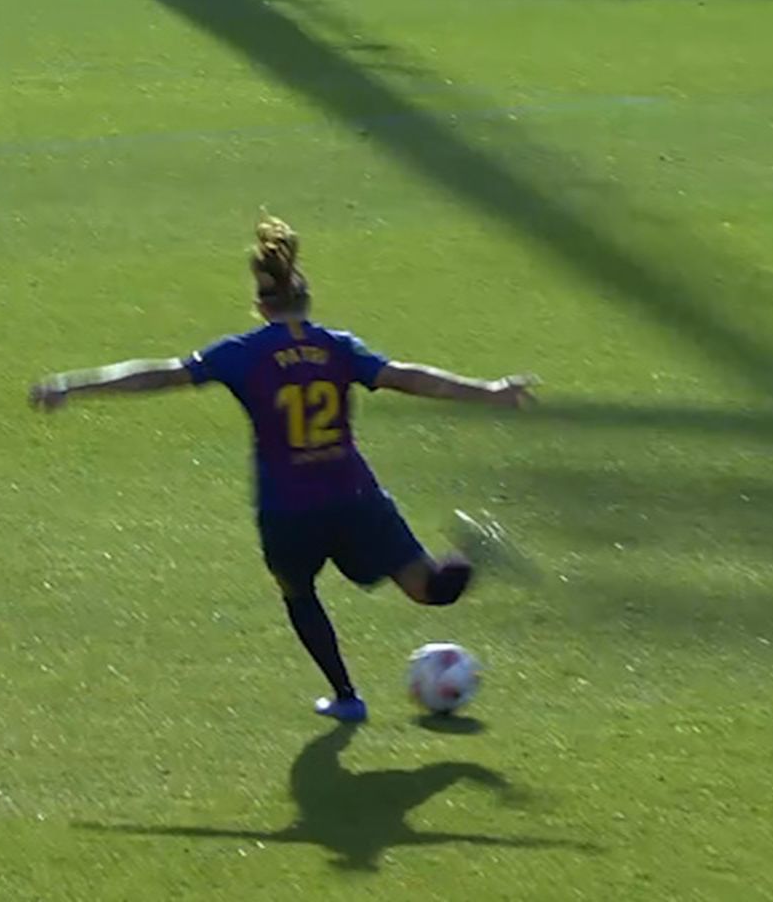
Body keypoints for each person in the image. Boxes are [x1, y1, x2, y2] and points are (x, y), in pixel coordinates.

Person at [29, 216, 536, 722]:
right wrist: (488, 391)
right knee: (428, 590)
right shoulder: (338, 346)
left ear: (261, 302)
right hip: (355, 496)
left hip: (288, 508)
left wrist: (75, 386)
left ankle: (346, 697)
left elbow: (159, 375)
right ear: (306, 297)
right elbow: (408, 378)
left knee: (299, 592)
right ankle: (472, 555)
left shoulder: (241, 353)